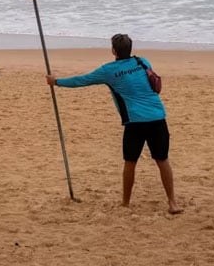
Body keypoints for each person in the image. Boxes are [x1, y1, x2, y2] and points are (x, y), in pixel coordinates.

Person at [46, 33, 182, 214]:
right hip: (158, 116)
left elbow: (82, 80)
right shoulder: (143, 62)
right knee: (162, 159)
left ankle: (126, 203)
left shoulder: (108, 71)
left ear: (113, 50)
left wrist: (56, 82)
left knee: (130, 161)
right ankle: (172, 203)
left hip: (135, 121)